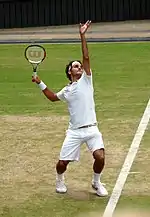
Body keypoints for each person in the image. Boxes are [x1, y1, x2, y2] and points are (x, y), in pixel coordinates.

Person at [32, 20, 108, 197]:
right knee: (62, 164)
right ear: (69, 72)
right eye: (75, 66)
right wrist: (39, 83)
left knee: (100, 157)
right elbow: (52, 98)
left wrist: (82, 35)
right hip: (74, 132)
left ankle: (96, 182)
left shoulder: (86, 80)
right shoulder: (67, 91)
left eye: (79, 65)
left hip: (92, 128)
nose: (79, 66)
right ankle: (60, 179)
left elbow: (86, 57)